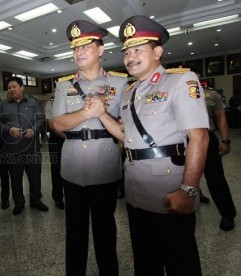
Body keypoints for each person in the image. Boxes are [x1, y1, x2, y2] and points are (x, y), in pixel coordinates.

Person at [85, 15, 209, 275]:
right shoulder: (130, 92)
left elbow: (199, 137)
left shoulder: (180, 81)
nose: (130, 57)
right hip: (135, 191)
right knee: (145, 262)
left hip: (169, 190)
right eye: (127, 51)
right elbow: (124, 133)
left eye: (138, 49)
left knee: (180, 263)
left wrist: (188, 190)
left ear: (158, 52)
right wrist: (101, 113)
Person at [51, 20, 127, 276]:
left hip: (105, 166)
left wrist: (102, 115)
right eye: (75, 48)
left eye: (85, 46)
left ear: (101, 50)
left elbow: (127, 128)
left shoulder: (120, 84)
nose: (79, 52)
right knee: (75, 231)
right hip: (72, 168)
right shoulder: (64, 85)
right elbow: (58, 123)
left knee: (106, 230)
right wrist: (85, 114)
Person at [0, 76, 48, 215]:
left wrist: (33, 130)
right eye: (9, 87)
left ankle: (36, 200)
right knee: (15, 179)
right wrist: (8, 130)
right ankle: (19, 203)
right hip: (12, 149)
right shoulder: (3, 105)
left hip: (32, 148)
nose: (11, 89)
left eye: (14, 86)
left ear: (21, 87)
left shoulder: (33, 102)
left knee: (35, 177)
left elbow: (41, 119)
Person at [195, 73, 236, 231]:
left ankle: (228, 214)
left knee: (215, 177)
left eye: (196, 77)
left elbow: (221, 119)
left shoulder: (211, 94)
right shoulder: (175, 93)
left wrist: (225, 141)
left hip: (207, 138)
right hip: (183, 140)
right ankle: (196, 194)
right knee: (182, 175)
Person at [44, 95, 65, 210]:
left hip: (74, 138)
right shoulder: (51, 103)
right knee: (56, 169)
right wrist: (68, 137)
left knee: (75, 168)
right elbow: (51, 125)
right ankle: (58, 198)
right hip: (57, 139)